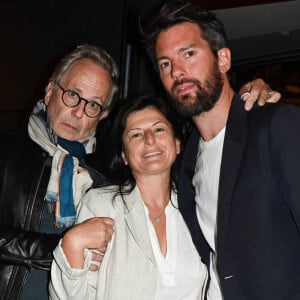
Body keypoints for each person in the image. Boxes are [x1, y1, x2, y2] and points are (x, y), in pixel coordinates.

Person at [142, 1, 300, 299]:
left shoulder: (275, 126)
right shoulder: (186, 159)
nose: (177, 71)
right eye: (165, 64)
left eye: (188, 53)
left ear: (223, 59)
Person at [49, 95, 208, 300]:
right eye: (136, 135)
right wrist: (72, 244)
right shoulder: (101, 205)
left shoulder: (199, 206)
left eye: (159, 129)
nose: (150, 139)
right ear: (124, 155)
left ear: (177, 144)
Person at [0, 44, 118, 299]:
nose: (78, 112)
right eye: (73, 94)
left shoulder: (105, 179)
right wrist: (60, 249)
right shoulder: (6, 151)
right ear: (50, 90)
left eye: (93, 105)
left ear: (102, 115)